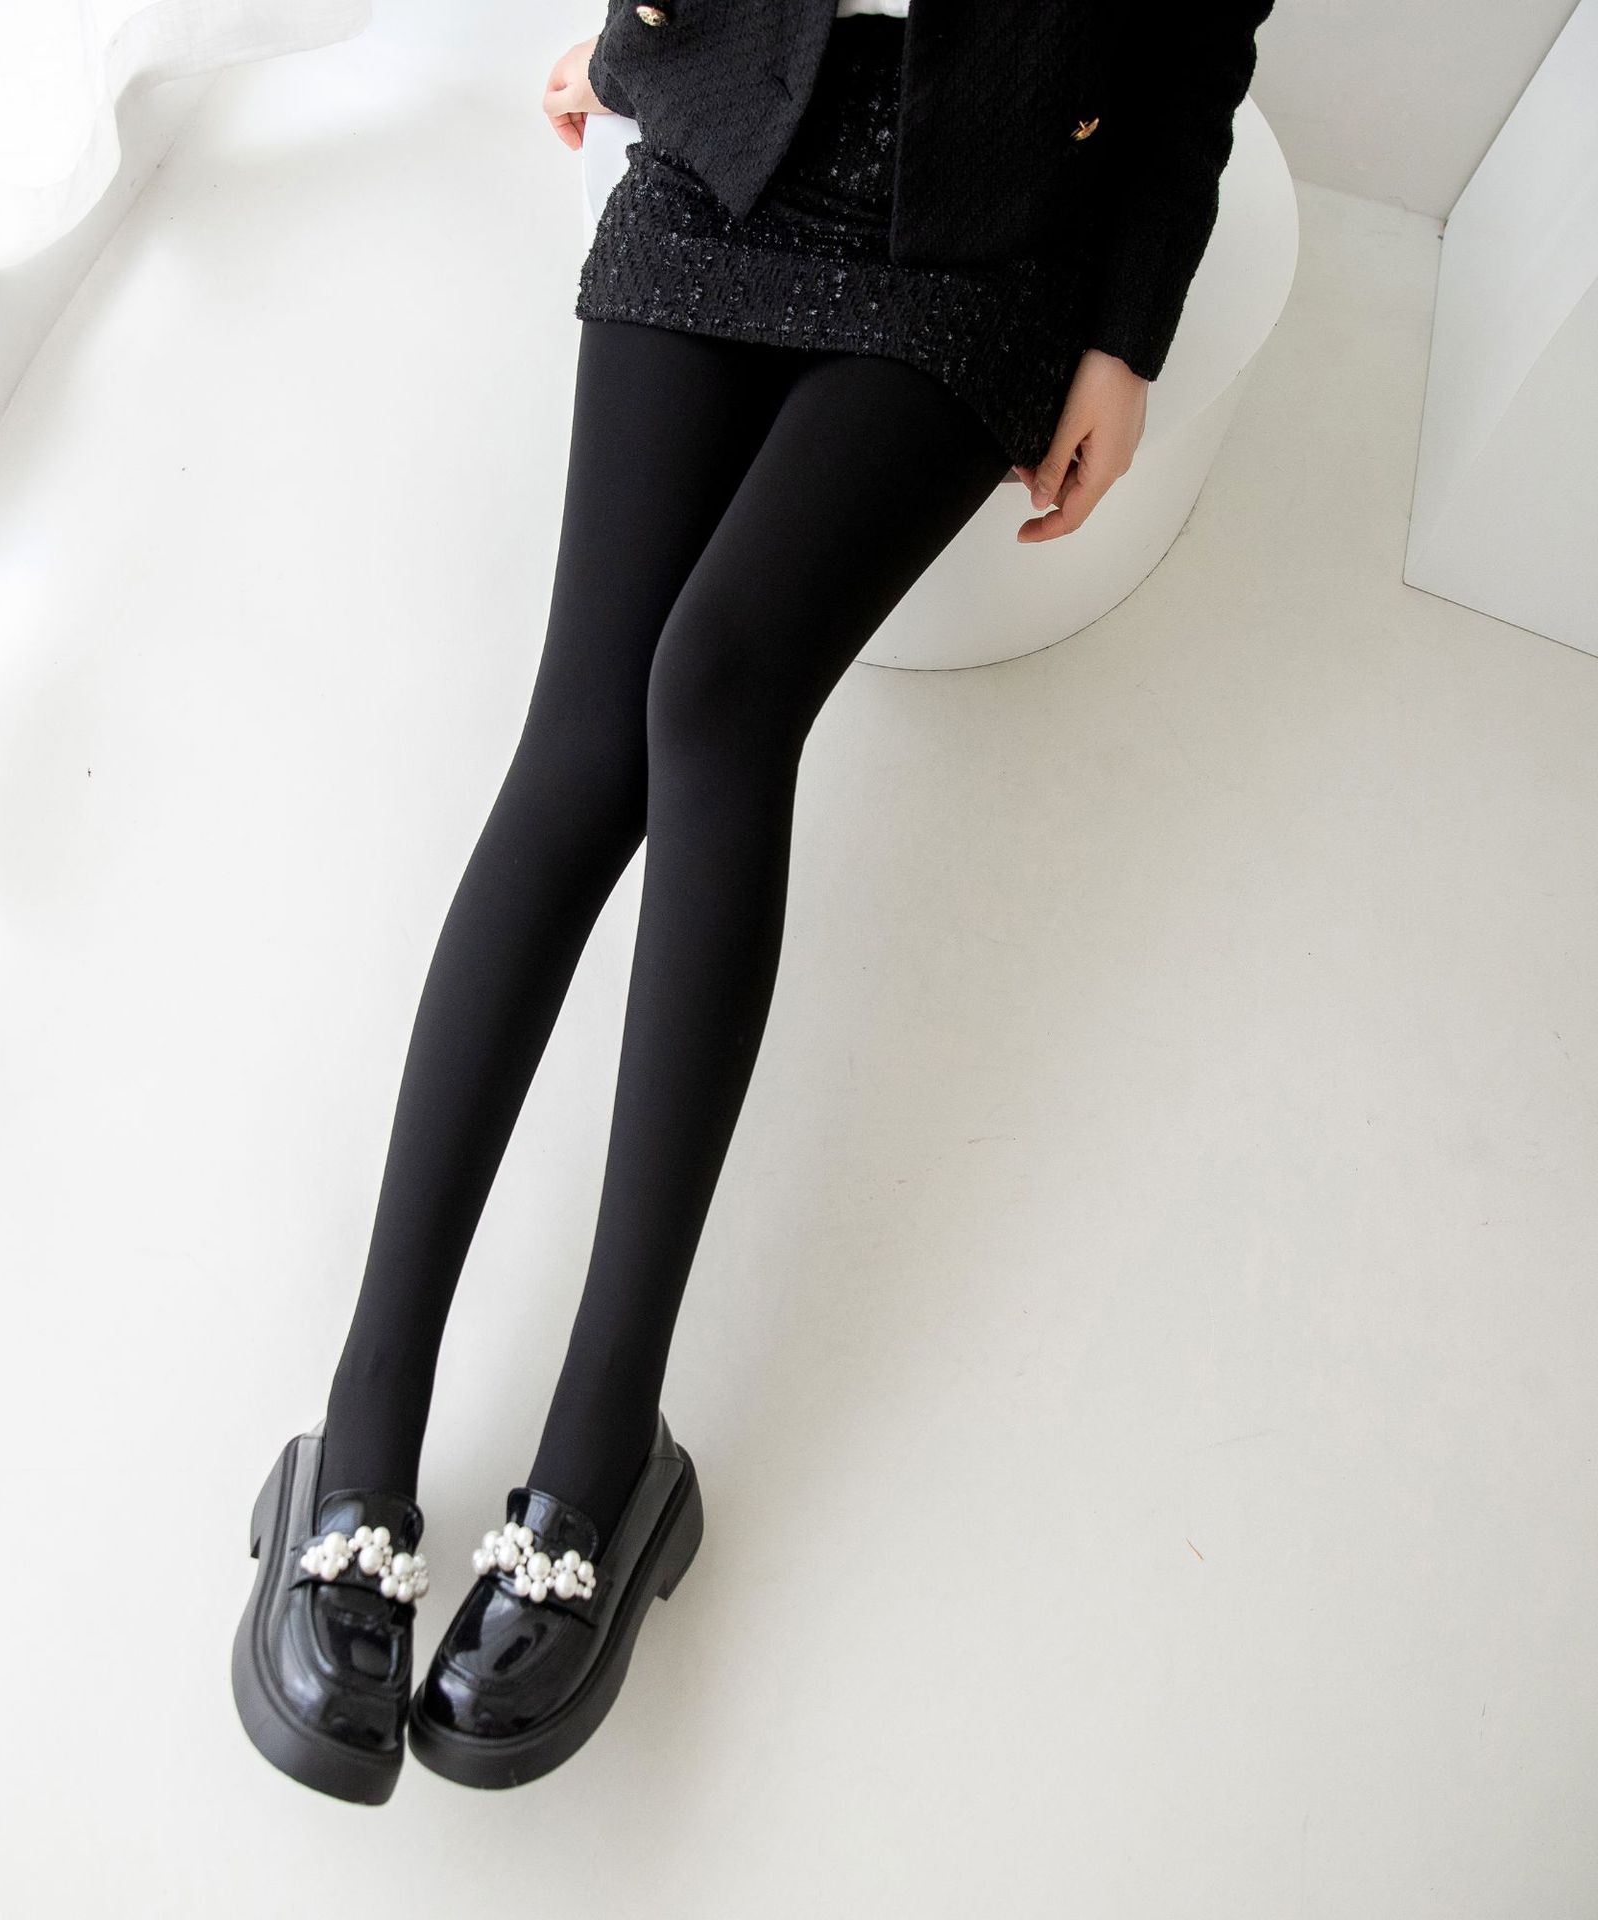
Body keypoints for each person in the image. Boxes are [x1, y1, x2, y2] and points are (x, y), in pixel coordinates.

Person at [232, 0, 1275, 1803]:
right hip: (728, 135)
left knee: (713, 690)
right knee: (581, 746)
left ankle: (604, 1449)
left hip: (984, 221)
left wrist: (1126, 331)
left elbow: (1196, 31)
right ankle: (363, 1424)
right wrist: (635, 35)